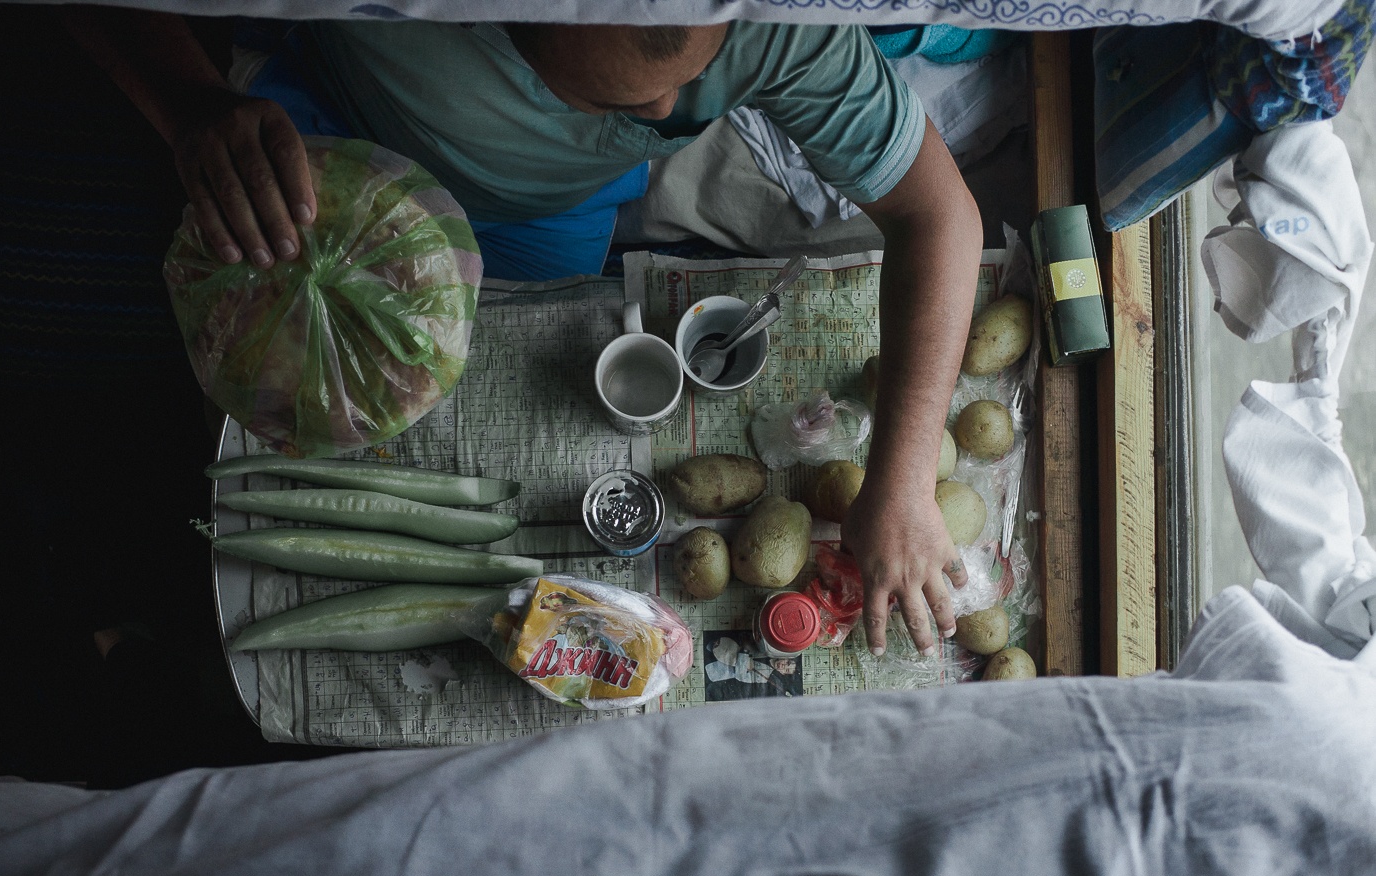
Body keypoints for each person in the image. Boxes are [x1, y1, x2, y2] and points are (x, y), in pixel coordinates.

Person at [64, 11, 983, 656]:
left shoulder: (781, 29)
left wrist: (901, 482)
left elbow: (940, 216)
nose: (669, 118)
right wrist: (191, 108)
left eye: (690, 80)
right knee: (264, 395)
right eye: (621, 102)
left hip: (546, 218)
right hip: (332, 152)